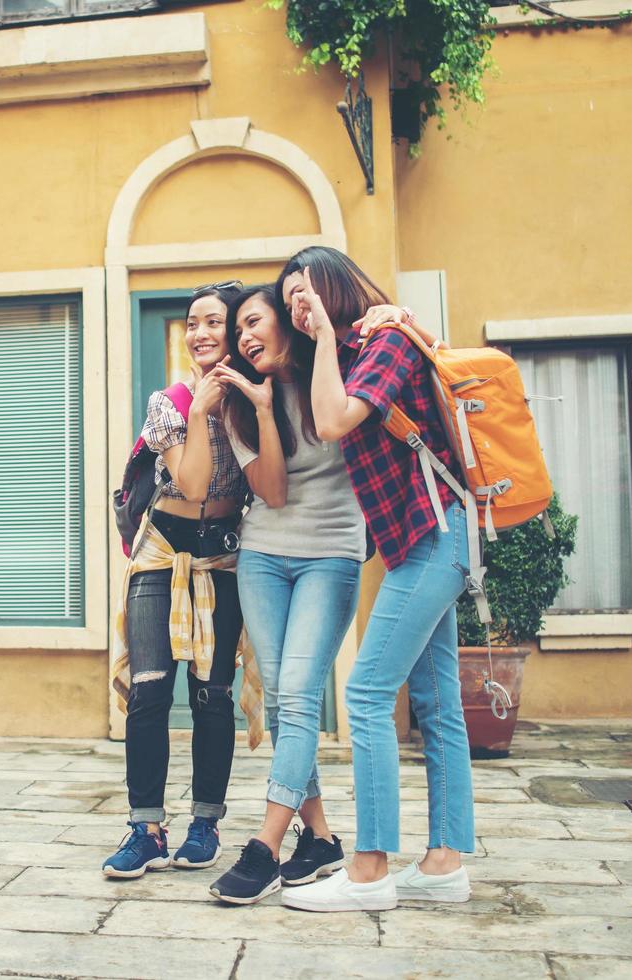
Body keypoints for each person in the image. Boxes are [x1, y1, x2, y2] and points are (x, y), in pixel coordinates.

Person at [276, 245, 474, 913]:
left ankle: (368, 870)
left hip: (436, 536)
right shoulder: (356, 350)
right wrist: (323, 343)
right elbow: (327, 411)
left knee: (364, 692)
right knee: (436, 699)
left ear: (331, 285)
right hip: (423, 542)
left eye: (303, 291)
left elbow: (333, 422)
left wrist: (329, 334)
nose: (296, 307)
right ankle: (444, 862)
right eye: (288, 302)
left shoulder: (382, 339)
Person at [204, 285, 365, 905]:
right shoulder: (241, 404)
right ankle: (320, 837)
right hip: (265, 556)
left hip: (331, 554)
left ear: (284, 321)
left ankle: (266, 845)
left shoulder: (335, 371)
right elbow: (270, 492)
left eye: (253, 322)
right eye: (237, 330)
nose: (244, 337)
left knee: (296, 696)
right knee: (281, 701)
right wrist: (264, 409)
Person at [104, 283, 258, 878]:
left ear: (238, 330)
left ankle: (204, 823)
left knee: (212, 696)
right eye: (192, 322)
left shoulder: (253, 401)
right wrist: (199, 410)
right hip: (161, 552)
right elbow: (193, 484)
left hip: (220, 558)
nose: (200, 333)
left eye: (213, 322)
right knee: (148, 690)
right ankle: (145, 827)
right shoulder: (168, 403)